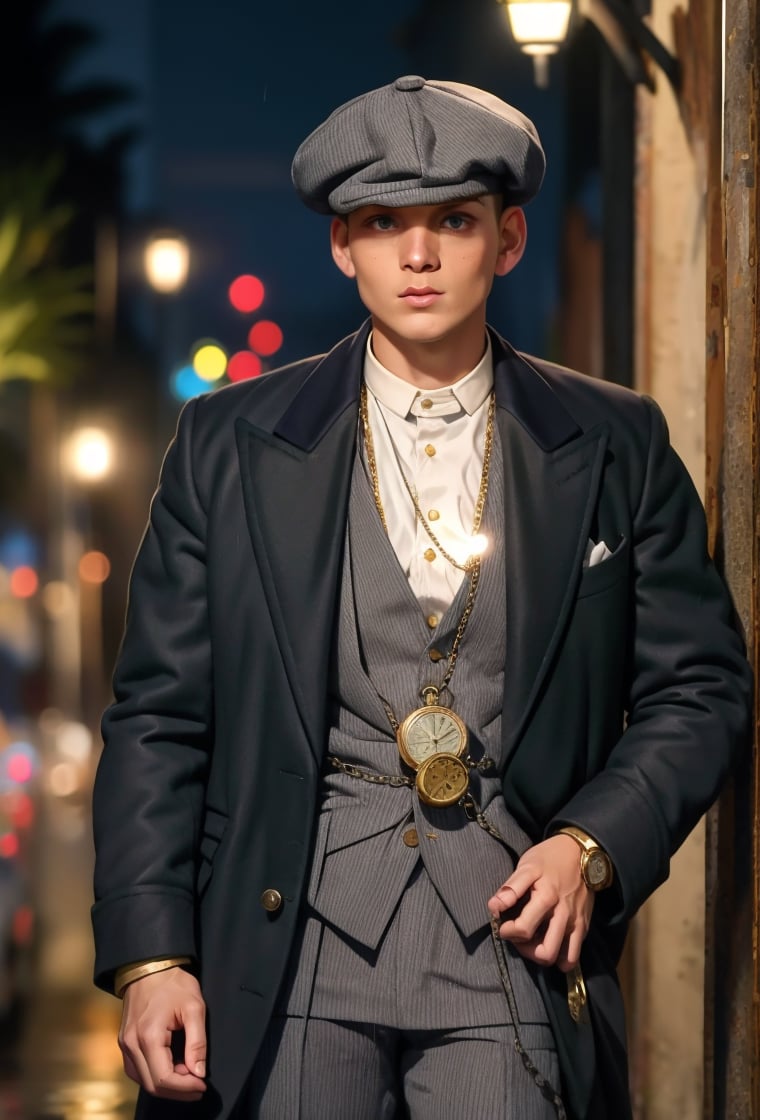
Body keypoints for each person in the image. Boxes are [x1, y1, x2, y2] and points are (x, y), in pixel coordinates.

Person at [91, 76, 752, 1120]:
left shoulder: (614, 441)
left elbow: (700, 688)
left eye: (452, 220)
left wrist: (592, 845)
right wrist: (150, 955)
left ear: (509, 238)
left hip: (509, 945)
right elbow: (160, 716)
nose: (418, 254)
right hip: (290, 945)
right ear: (340, 247)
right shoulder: (230, 444)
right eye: (380, 222)